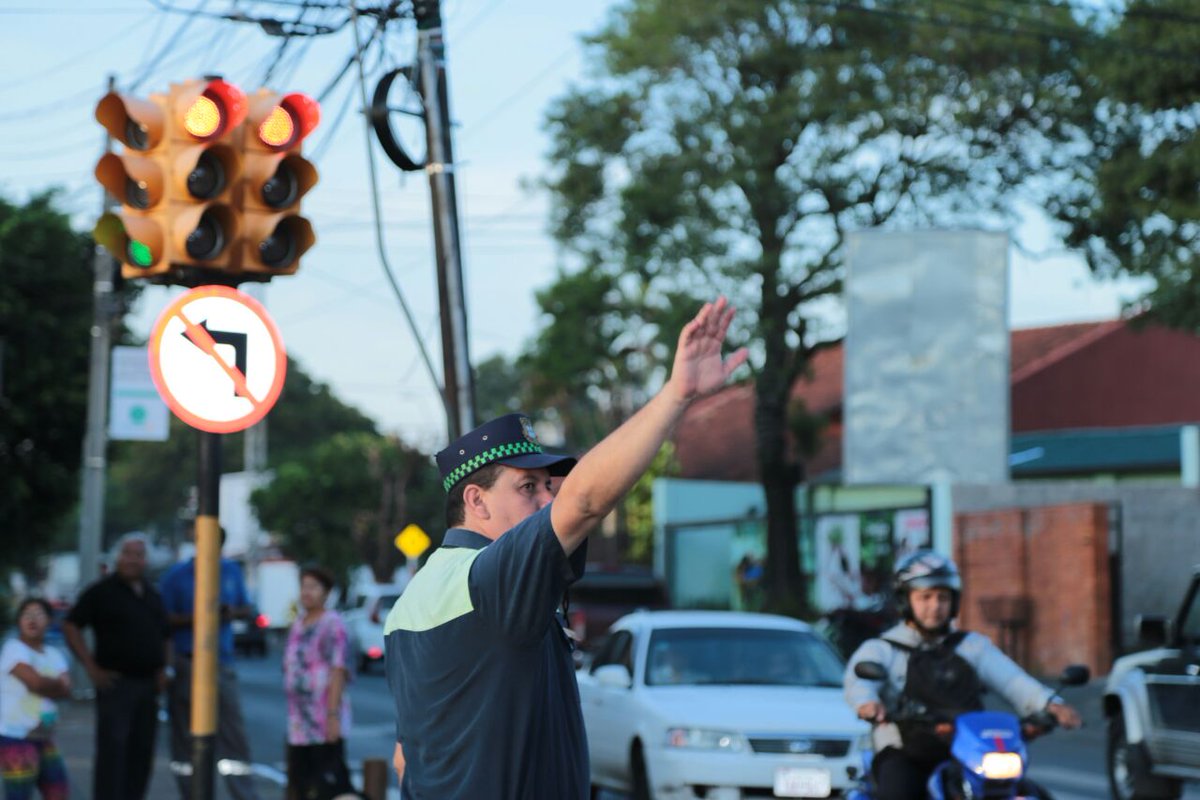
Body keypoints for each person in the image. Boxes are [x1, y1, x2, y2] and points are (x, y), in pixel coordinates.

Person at [384, 297, 747, 798]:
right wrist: (676, 394)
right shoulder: (490, 578)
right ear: (476, 501)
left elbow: (408, 756)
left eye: (548, 486)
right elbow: (585, 501)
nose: (546, 498)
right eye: (527, 487)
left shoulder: (413, 600)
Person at [844, 550, 1082, 800]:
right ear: (906, 600)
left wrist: (1051, 705)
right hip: (906, 751)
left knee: (1031, 793)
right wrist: (867, 703)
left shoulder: (972, 646)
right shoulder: (883, 648)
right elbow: (858, 680)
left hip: (970, 750)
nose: (935, 606)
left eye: (942, 598)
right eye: (925, 597)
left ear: (954, 601)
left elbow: (1013, 680)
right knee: (899, 793)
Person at [63, 533, 169, 800]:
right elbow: (71, 624)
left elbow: (165, 633)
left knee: (142, 751)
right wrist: (90, 666)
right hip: (116, 683)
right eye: (127, 553)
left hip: (148, 684)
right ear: (117, 557)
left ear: (145, 560)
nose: (132, 560)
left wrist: (164, 669)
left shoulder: (152, 594)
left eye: (138, 554)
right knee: (114, 751)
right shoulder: (101, 592)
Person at [159, 527, 261, 800]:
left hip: (221, 663)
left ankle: (244, 795)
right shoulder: (176, 576)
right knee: (185, 739)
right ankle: (192, 794)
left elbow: (246, 608)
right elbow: (162, 619)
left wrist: (229, 612)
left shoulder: (230, 571)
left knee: (234, 737)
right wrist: (199, 616)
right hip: (186, 663)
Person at [283, 565, 359, 800]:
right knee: (299, 781)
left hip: (323, 716)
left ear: (326, 592)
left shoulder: (332, 624)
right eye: (304, 586)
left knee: (328, 781)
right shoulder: (298, 623)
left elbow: (338, 669)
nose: (307, 592)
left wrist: (332, 715)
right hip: (299, 719)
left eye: (314, 587)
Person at [0, 598, 71, 800]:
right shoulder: (13, 649)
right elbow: (36, 683)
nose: (32, 619)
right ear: (19, 621)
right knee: (19, 795)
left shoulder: (54, 653)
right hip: (15, 737)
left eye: (39, 614)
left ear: (49, 620)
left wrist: (45, 684)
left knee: (58, 790)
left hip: (44, 736)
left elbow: (67, 690)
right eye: (26, 614)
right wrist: (53, 684)